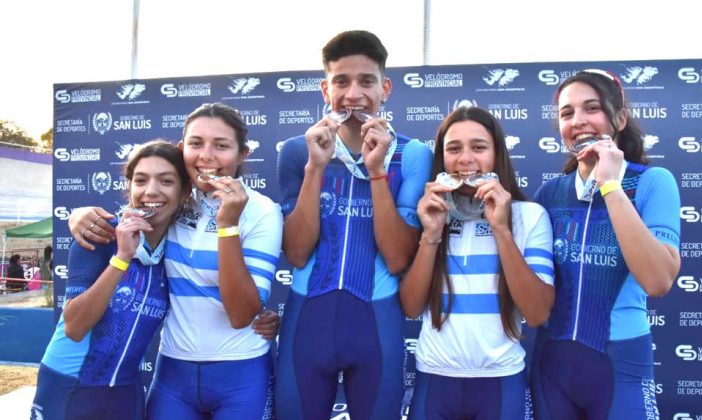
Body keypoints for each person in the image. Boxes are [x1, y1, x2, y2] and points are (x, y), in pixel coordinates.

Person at [69, 103, 284, 419]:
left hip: (242, 371)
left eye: (221, 146)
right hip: (173, 373)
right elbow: (130, 214)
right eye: (196, 144)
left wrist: (228, 226)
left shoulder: (262, 211)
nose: (206, 156)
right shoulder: (174, 202)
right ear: (182, 149)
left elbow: (241, 315)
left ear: (242, 155)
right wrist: (79, 216)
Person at [275, 30, 433, 419]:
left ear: (386, 88)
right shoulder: (298, 150)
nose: (353, 94)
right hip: (307, 319)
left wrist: (377, 171)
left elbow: (397, 258)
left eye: (366, 81)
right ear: (325, 89)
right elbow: (296, 252)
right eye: (341, 82)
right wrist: (316, 167)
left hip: (376, 323)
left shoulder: (412, 155)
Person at [530, 69, 681, 420]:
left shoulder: (653, 183)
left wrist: (611, 186)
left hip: (620, 367)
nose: (578, 121)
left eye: (592, 108)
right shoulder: (549, 194)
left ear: (620, 118)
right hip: (550, 369)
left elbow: (658, 281)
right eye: (567, 113)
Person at [399, 106, 555, 419]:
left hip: (500, 382)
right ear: (441, 159)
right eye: (453, 149)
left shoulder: (528, 216)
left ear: (498, 155)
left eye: (479, 147)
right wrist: (431, 233)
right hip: (434, 379)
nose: (466, 159)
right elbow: (412, 307)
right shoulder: (429, 214)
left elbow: (537, 313)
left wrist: (501, 229)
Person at [31, 140, 191, 420]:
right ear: (129, 187)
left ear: (184, 191)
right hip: (69, 385)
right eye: (140, 180)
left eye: (166, 181)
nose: (151, 191)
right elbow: (74, 327)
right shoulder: (100, 236)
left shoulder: (179, 250)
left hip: (126, 391)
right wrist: (122, 258)